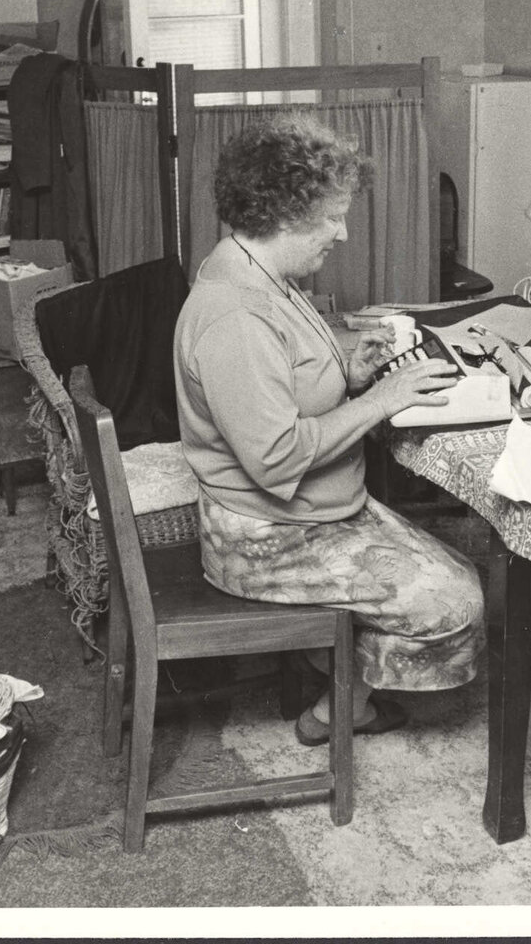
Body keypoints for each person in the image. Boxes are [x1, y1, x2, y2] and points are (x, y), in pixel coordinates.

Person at [173, 117, 486, 745]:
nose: (342, 233)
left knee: (463, 568)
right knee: (458, 603)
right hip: (265, 538)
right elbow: (274, 458)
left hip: (309, 512)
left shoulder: (256, 274)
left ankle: (334, 660)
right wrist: (384, 400)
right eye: (331, 218)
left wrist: (347, 371)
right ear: (285, 215)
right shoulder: (236, 316)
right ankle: (339, 708)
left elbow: (282, 382)